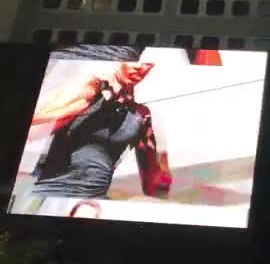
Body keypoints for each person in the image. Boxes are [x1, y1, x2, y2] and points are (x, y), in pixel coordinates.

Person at [27, 45, 172, 201]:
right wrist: (75, 107)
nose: (138, 67)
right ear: (119, 60)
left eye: (147, 63)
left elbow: (152, 185)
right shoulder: (90, 89)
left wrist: (162, 167)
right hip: (51, 194)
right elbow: (34, 126)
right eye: (132, 61)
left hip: (95, 200)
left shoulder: (141, 115)